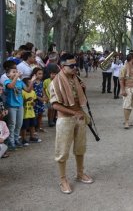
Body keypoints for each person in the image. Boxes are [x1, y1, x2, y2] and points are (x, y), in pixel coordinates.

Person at [49, 53, 93, 194]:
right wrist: (74, 113)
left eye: (76, 65)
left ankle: (80, 173)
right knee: (62, 151)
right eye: (72, 66)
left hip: (79, 116)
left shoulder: (76, 78)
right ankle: (63, 180)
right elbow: (54, 105)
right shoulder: (55, 82)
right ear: (63, 66)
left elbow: (79, 99)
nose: (75, 68)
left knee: (80, 147)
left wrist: (83, 89)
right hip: (65, 119)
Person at [4, 67, 34, 150]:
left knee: (19, 124)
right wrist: (17, 76)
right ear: (8, 74)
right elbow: (11, 86)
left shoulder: (20, 82)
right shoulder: (7, 81)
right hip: (11, 106)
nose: (16, 73)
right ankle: (11, 142)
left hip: (20, 105)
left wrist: (32, 81)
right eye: (13, 72)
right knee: (12, 124)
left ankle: (16, 140)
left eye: (16, 72)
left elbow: (28, 90)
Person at [21, 78, 42, 145]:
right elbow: (21, 102)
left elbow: (34, 102)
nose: (32, 83)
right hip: (25, 113)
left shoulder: (33, 92)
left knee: (32, 125)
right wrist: (27, 100)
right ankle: (23, 139)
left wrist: (34, 104)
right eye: (30, 82)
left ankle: (32, 137)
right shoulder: (22, 92)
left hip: (31, 112)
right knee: (24, 127)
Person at [32, 68, 47, 132]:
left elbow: (42, 90)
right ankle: (34, 128)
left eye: (42, 74)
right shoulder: (33, 82)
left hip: (41, 101)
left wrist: (44, 96)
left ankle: (39, 127)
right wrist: (39, 98)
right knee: (35, 115)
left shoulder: (41, 82)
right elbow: (32, 92)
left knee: (40, 114)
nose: (41, 75)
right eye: (39, 74)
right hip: (35, 101)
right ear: (35, 74)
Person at [0, 84, 10, 158]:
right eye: (0, 89)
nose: (1, 91)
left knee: (3, 132)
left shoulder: (1, 98)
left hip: (2, 119)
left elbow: (3, 106)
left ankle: (2, 151)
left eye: (1, 89)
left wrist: (5, 110)